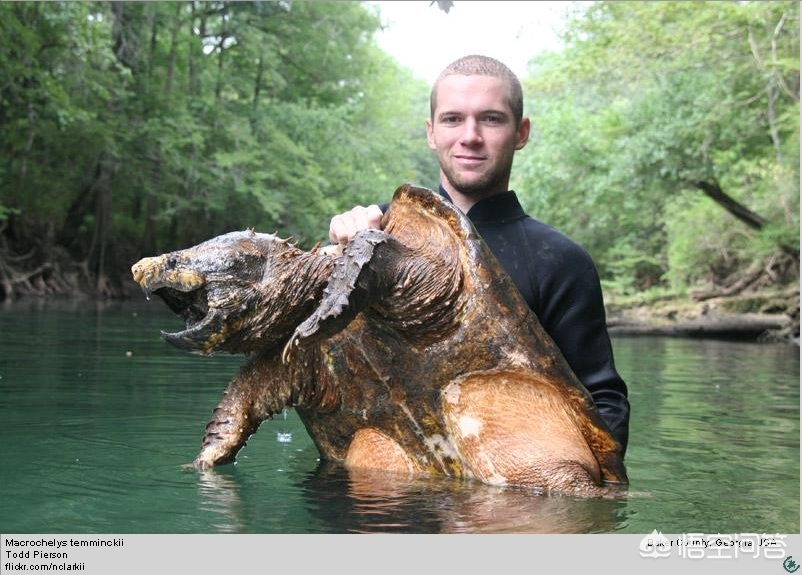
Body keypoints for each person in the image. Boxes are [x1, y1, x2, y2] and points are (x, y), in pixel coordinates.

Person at [329, 54, 630, 456]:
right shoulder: (373, 233)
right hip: (375, 494)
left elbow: (603, 406)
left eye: (491, 119)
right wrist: (342, 255)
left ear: (520, 133)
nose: (470, 135)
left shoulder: (561, 261)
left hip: (500, 500)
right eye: (453, 119)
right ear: (431, 132)